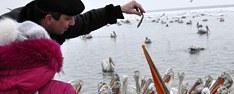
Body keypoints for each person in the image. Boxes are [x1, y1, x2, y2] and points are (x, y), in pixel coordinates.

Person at [0, 0, 145, 45]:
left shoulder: (52, 25)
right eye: (68, 18)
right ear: (49, 19)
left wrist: (119, 10)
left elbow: (86, 21)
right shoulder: (6, 35)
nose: (73, 23)